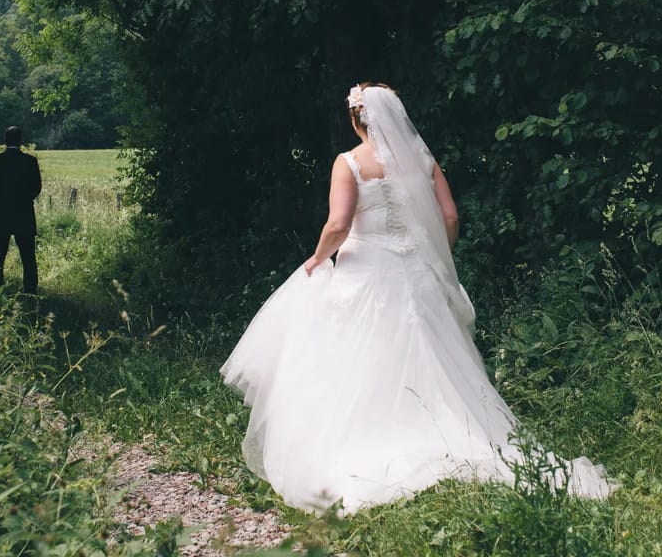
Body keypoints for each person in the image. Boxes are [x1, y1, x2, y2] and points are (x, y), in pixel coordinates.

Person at [220, 83, 613, 514]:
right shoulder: (422, 160)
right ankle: (454, 433)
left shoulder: (349, 163)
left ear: (355, 119)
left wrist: (317, 259)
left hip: (367, 274)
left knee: (364, 359)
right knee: (436, 356)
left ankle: (368, 441)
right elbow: (450, 216)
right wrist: (435, 254)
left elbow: (338, 224)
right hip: (419, 274)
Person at [0, 125, 42, 298]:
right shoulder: (31, 161)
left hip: (0, 213)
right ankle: (30, 292)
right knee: (28, 257)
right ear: (21, 141)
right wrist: (23, 198)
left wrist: (2, 193)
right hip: (24, 213)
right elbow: (36, 188)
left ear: (5, 140)